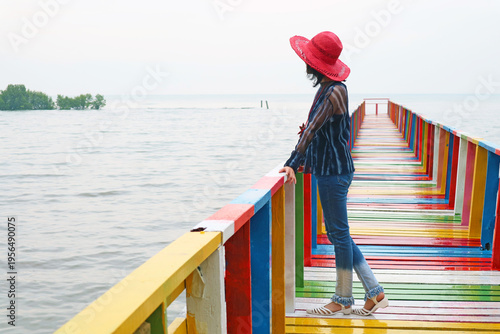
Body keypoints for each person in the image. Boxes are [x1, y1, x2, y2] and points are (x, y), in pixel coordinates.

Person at [279, 31, 388, 316]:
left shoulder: (333, 91)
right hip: (334, 169)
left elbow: (314, 128)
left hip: (333, 172)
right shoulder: (330, 88)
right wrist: (307, 140)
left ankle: (342, 300)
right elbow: (323, 129)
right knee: (341, 234)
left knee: (339, 235)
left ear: (313, 64)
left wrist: (292, 161)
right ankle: (374, 293)